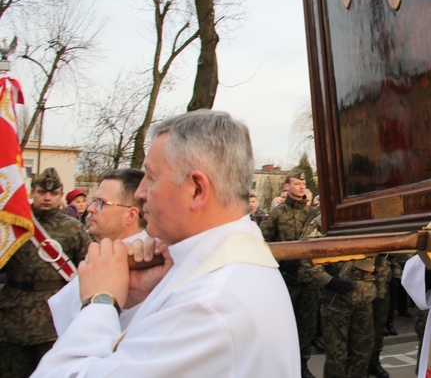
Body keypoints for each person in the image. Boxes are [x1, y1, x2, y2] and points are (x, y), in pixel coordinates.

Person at [32, 110, 299, 377]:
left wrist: (100, 302)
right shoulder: (219, 269)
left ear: (197, 189)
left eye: (151, 177)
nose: (139, 193)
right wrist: (134, 297)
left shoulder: (207, 305)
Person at [0, 168, 91, 378]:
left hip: (53, 317)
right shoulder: (14, 224)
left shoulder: (72, 228)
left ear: (60, 195)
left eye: (53, 193)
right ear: (32, 193)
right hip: (12, 315)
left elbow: (87, 267)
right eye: (41, 192)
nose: (47, 197)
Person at [47, 168, 149, 336]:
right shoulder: (108, 253)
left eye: (101, 203)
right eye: (94, 201)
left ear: (130, 215)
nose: (91, 209)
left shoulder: (141, 260)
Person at [260, 168, 321, 378]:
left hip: (309, 279)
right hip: (286, 281)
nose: (301, 186)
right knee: (284, 326)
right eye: (296, 183)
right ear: (287, 186)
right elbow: (263, 243)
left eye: (303, 183)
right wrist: (280, 262)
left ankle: (302, 366)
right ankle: (283, 366)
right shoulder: (277, 214)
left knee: (307, 326)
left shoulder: (313, 214)